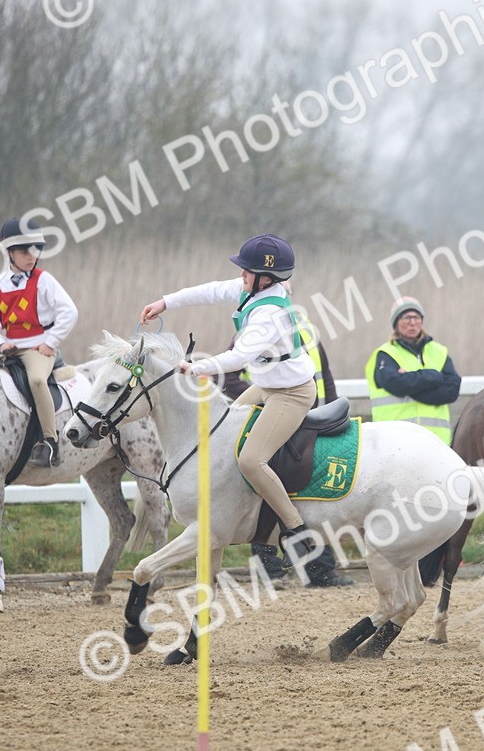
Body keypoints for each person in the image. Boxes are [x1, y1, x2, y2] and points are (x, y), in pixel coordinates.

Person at [139, 233, 344, 585]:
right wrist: (164, 303)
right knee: (223, 435)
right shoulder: (252, 291)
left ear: (266, 278)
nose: (241, 275)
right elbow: (209, 291)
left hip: (291, 394)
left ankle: (298, 533)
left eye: (247, 271)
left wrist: (196, 368)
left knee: (251, 460)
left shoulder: (269, 313)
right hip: (266, 387)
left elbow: (239, 356)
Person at [219, 313, 352, 587]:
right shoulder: (253, 330)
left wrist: (331, 405)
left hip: (310, 420)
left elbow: (323, 375)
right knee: (264, 480)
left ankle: (320, 571)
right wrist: (270, 398)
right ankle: (271, 570)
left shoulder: (308, 329)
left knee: (312, 486)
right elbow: (228, 377)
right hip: (272, 418)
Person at [0, 217, 79, 467]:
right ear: (9, 253)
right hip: (9, 349)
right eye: (25, 252)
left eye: (35, 250)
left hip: (38, 348)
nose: (32, 256)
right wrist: (0, 343)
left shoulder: (43, 279)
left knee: (36, 380)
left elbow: (69, 311)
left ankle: (50, 442)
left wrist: (51, 342)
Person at [365, 296, 461, 444]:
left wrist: (412, 386)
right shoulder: (385, 354)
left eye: (416, 317)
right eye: (406, 317)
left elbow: (451, 391)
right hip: (396, 440)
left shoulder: (439, 351)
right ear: (396, 322)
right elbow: (396, 384)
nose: (412, 322)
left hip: (436, 441)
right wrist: (434, 376)